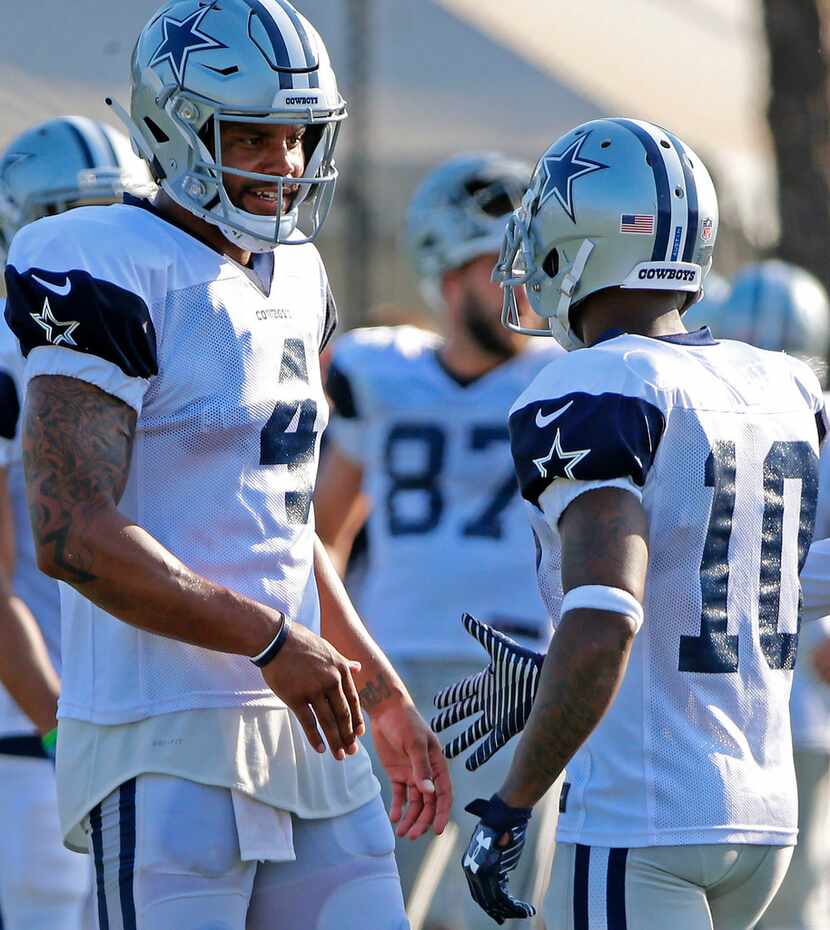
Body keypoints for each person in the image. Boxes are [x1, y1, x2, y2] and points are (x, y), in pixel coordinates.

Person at [3, 3, 449, 928]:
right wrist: (271, 642)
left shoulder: (301, 274)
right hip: (162, 734)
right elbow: (70, 535)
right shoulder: (106, 261)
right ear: (171, 127)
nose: (282, 163)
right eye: (251, 133)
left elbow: (278, 525)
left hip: (310, 730)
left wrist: (373, 681)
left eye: (297, 136)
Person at [439, 118, 825, 929]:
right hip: (762, 813)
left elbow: (608, 615)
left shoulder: (598, 382)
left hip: (643, 820)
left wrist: (512, 807)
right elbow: (772, 577)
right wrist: (561, 677)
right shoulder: (782, 382)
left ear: (582, 242)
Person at [316, 153, 560, 929]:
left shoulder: (566, 375)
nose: (524, 286)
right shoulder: (377, 369)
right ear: (448, 276)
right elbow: (324, 530)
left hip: (517, 671)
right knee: (373, 901)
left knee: (499, 909)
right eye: (501, 266)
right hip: (390, 669)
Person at [0, 114, 149, 930]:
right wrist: (63, 736)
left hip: (130, 721)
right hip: (39, 731)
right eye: (66, 218)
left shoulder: (147, 329)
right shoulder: (8, 351)